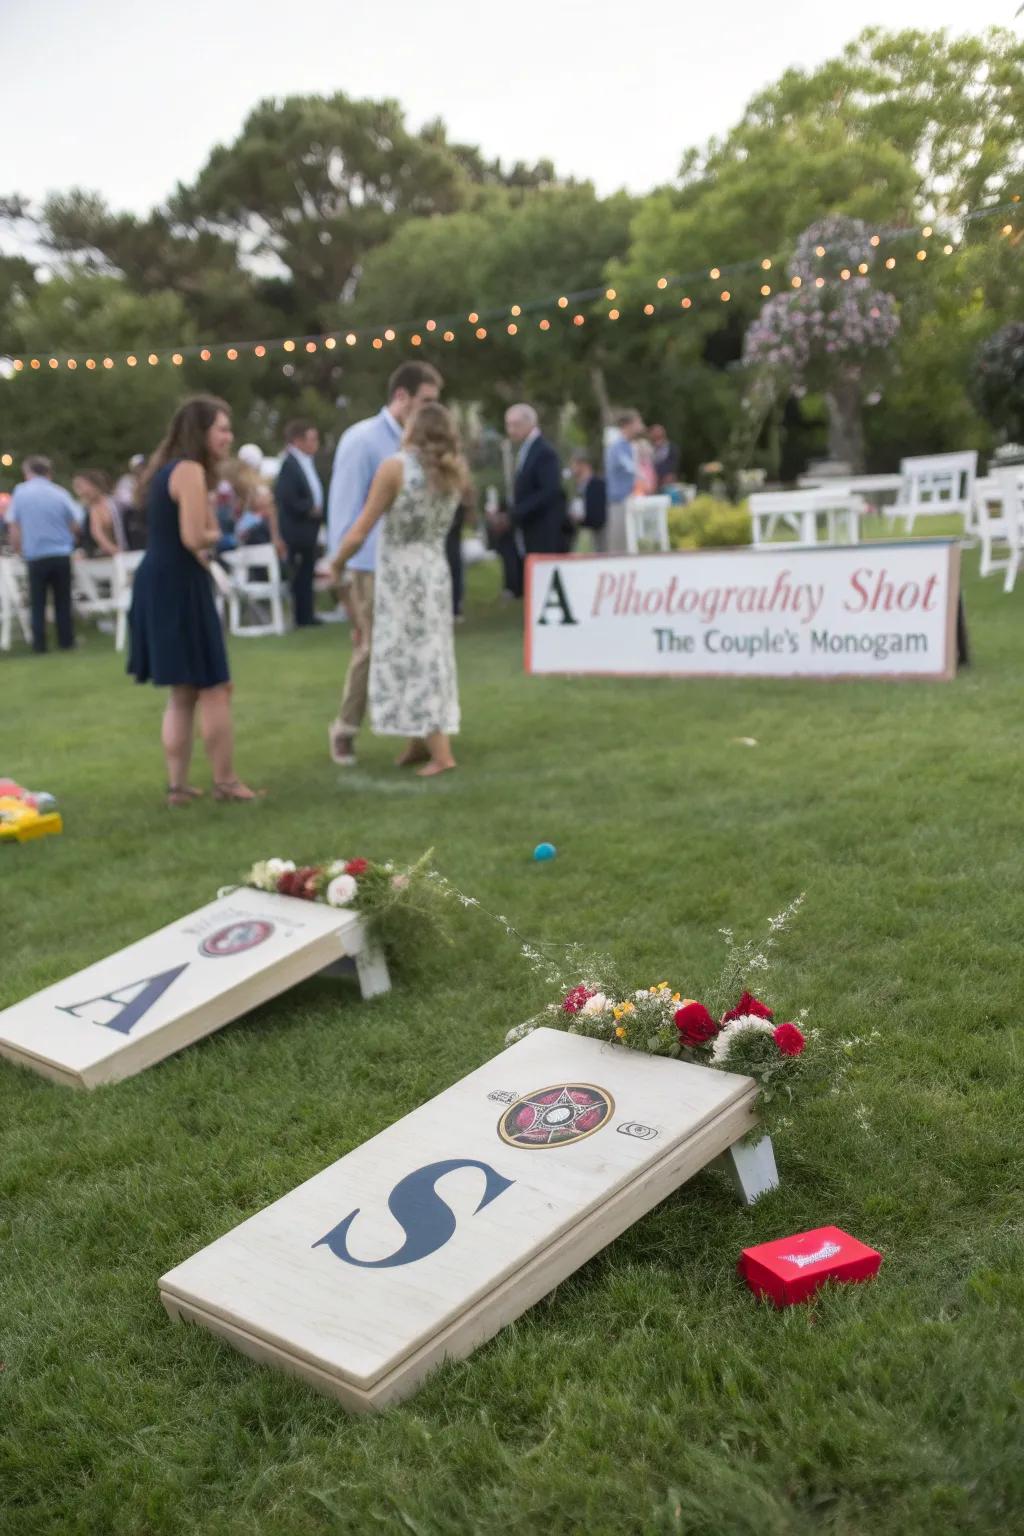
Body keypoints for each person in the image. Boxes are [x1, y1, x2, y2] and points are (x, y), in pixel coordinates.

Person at [127, 396, 261, 807]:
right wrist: (218, 533)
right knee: (214, 687)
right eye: (221, 428)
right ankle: (225, 781)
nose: (228, 436)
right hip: (179, 585)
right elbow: (192, 537)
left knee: (182, 691)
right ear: (200, 431)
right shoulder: (189, 471)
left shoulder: (169, 470)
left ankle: (179, 787)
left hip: (163, 580)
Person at [330, 402, 465, 778]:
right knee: (427, 652)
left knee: (417, 657)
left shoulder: (396, 468)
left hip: (403, 575)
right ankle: (419, 741)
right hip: (434, 570)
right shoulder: (451, 471)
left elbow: (361, 528)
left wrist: (336, 562)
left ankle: (441, 752)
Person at [6, 457, 84, 653]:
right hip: (60, 553)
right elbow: (76, 522)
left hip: (35, 554)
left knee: (37, 601)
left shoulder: (21, 493)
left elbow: (14, 525)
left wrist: (17, 548)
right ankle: (66, 640)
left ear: (28, 472)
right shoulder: (59, 492)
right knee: (63, 600)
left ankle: (39, 643)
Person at [500, 404, 567, 589]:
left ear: (529, 423)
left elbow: (549, 490)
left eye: (515, 424)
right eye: (508, 425)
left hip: (543, 526)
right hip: (530, 526)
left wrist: (517, 513)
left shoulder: (544, 452)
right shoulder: (526, 450)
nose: (511, 430)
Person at [274, 419, 324, 627]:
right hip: (297, 529)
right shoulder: (289, 465)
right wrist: (309, 507)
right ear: (298, 440)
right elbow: (286, 496)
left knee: (308, 572)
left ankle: (309, 613)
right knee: (300, 573)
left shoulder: (306, 462)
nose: (316, 443)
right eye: (311, 439)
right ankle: (301, 616)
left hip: (309, 529)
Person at [604, 408, 646, 553]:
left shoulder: (629, 445)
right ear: (628, 425)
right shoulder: (617, 446)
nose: (640, 426)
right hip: (619, 501)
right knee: (619, 546)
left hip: (628, 499)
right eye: (637, 422)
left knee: (630, 544)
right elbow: (630, 467)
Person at [72, 470, 126, 557]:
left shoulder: (115, 504)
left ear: (94, 485)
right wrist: (116, 551)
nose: (79, 492)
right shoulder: (86, 509)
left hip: (118, 553)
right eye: (76, 488)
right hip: (106, 556)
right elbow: (97, 534)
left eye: (80, 486)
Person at [568, 450, 608, 551]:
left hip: (595, 537)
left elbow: (599, 515)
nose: (572, 468)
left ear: (582, 465)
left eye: (574, 464)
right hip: (580, 536)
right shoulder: (577, 486)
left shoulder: (597, 484)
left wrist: (582, 519)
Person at [650, 423, 680, 488]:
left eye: (659, 431)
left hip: (667, 480)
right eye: (654, 432)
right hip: (651, 480)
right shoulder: (646, 447)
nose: (656, 434)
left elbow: (674, 464)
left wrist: (670, 474)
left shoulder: (672, 447)